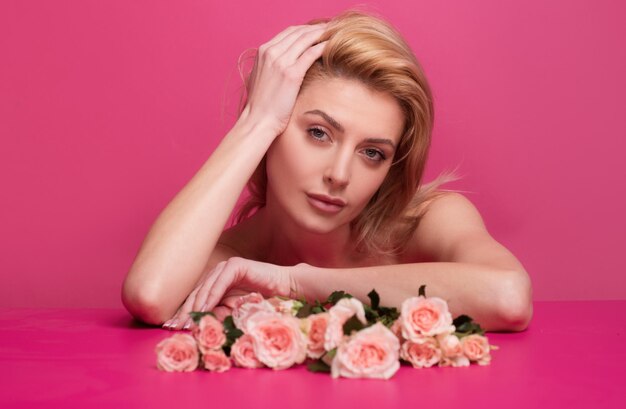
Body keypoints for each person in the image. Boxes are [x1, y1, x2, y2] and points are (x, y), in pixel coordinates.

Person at [121, 10, 533, 333]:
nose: (340, 174)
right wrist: (256, 121)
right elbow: (149, 294)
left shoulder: (427, 222)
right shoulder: (226, 261)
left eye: (372, 153)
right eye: (318, 133)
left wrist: (298, 283)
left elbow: (508, 296)